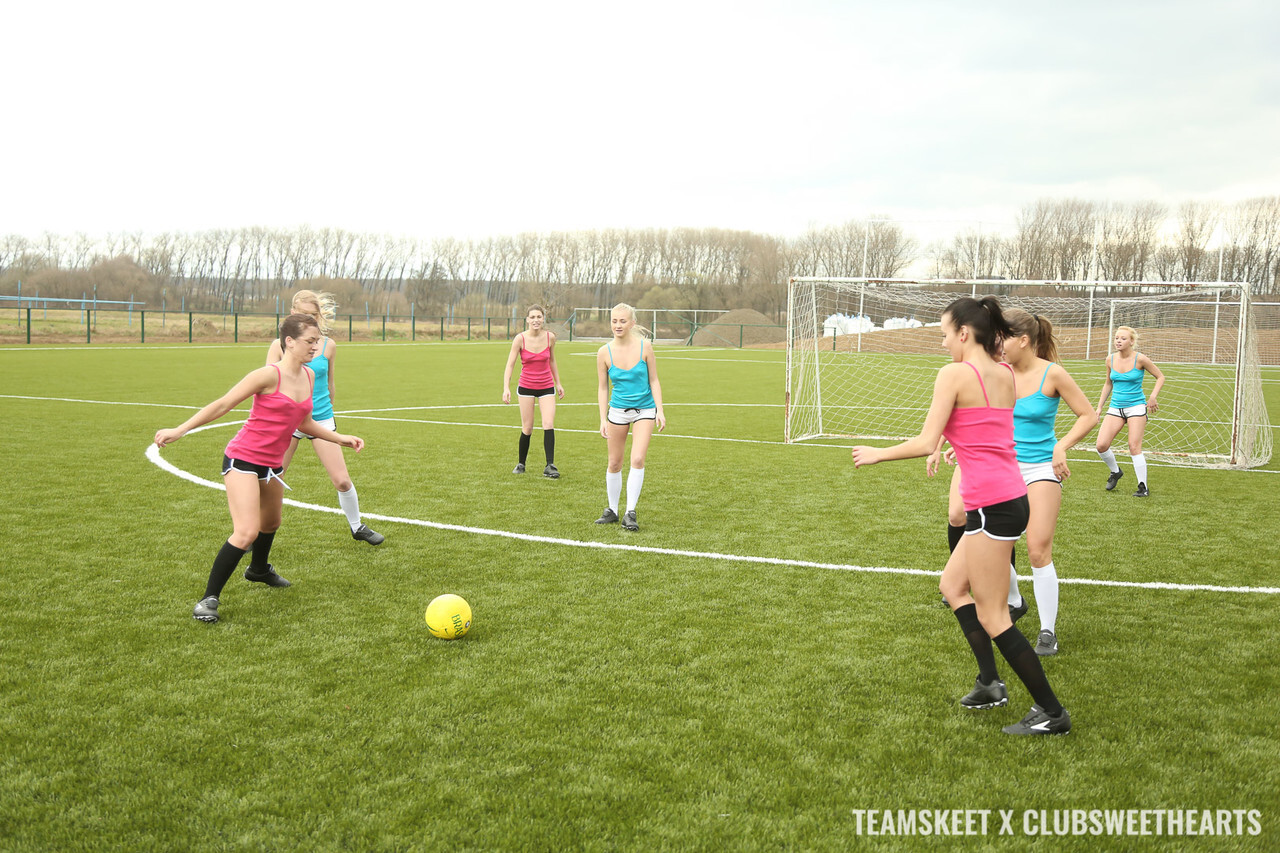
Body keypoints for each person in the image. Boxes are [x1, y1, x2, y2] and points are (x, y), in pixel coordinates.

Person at [853, 296, 1071, 736]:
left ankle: (1052, 712)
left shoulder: (954, 373)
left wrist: (878, 454)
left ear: (964, 334)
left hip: (992, 503)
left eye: (944, 335)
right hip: (1006, 497)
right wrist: (956, 444)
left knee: (994, 615)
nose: (943, 343)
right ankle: (990, 683)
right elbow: (986, 431)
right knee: (952, 586)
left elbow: (924, 440)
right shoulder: (1006, 373)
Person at [154, 313, 365, 623]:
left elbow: (303, 421)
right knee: (247, 531)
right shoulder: (267, 375)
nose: (316, 346)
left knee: (271, 523)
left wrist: (339, 438)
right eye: (310, 341)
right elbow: (222, 404)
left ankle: (258, 570)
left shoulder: (307, 376)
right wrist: (179, 429)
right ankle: (207, 599)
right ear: (289, 342)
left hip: (272, 465)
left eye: (318, 341)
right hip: (243, 460)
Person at [1000, 307, 1099, 656]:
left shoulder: (1053, 374)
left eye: (1003, 337)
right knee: (996, 546)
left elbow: (1088, 414)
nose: (997, 344)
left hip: (1041, 468)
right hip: (1003, 469)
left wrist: (1061, 446)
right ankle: (1014, 600)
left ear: (1023, 340)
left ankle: (1047, 631)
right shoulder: (999, 373)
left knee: (1038, 549)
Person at [267, 290, 383, 544]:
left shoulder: (328, 345)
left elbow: (329, 383)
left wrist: (328, 408)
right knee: (272, 479)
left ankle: (357, 526)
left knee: (342, 480)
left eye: (313, 314)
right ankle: (255, 533)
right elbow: (269, 381)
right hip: (288, 421)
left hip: (320, 418)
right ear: (292, 313)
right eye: (303, 313)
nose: (309, 318)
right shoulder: (279, 345)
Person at [595, 303, 665, 531]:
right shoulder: (603, 352)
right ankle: (612, 510)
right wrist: (603, 418)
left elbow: (654, 380)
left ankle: (630, 512)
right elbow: (603, 388)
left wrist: (660, 410)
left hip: (645, 410)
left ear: (632, 323)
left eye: (623, 321)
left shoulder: (646, 347)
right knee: (614, 462)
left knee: (637, 460)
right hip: (617, 411)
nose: (618, 325)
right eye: (614, 321)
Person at [1094, 325, 1165, 497]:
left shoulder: (1140, 359)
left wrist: (1153, 397)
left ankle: (1143, 487)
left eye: (1123, 338)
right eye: (1117, 337)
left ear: (1131, 341)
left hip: (1136, 407)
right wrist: (1099, 407)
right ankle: (1115, 471)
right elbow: (1108, 383)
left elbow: (1160, 376)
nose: (1118, 341)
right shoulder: (1110, 359)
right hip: (1115, 407)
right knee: (1101, 445)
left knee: (1134, 446)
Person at [501, 304, 565, 478]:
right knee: (527, 428)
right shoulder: (520, 339)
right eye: (533, 317)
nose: (536, 320)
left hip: (546, 387)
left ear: (543, 318)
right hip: (526, 387)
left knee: (548, 424)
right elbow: (510, 364)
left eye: (539, 317)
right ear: (527, 319)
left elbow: (552, 361)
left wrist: (558, 383)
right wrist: (506, 387)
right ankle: (521, 463)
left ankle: (550, 465)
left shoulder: (550, 337)